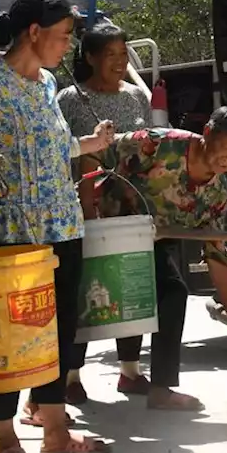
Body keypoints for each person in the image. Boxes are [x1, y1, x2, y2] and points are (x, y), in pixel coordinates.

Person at [0, 0, 114, 453]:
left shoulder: (45, 84)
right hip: (7, 232)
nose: (67, 46)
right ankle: (4, 440)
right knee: (2, 337)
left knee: (56, 333)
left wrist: (90, 144)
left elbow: (52, 148)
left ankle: (56, 431)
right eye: (63, 36)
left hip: (61, 226)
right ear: (34, 32)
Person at [75, 106, 227, 411]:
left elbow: (214, 250)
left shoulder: (217, 191)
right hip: (103, 228)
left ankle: (159, 387)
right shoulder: (159, 144)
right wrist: (87, 212)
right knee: (87, 297)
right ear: (208, 134)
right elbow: (94, 154)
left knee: (169, 292)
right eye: (225, 148)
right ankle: (69, 378)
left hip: (149, 241)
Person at [54, 20, 153, 404]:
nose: (117, 61)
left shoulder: (135, 97)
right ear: (90, 58)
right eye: (109, 54)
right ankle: (72, 376)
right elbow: (68, 154)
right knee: (85, 289)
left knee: (130, 283)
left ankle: (130, 370)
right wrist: (86, 206)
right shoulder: (68, 99)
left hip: (132, 206)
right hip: (84, 206)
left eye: (122, 54)